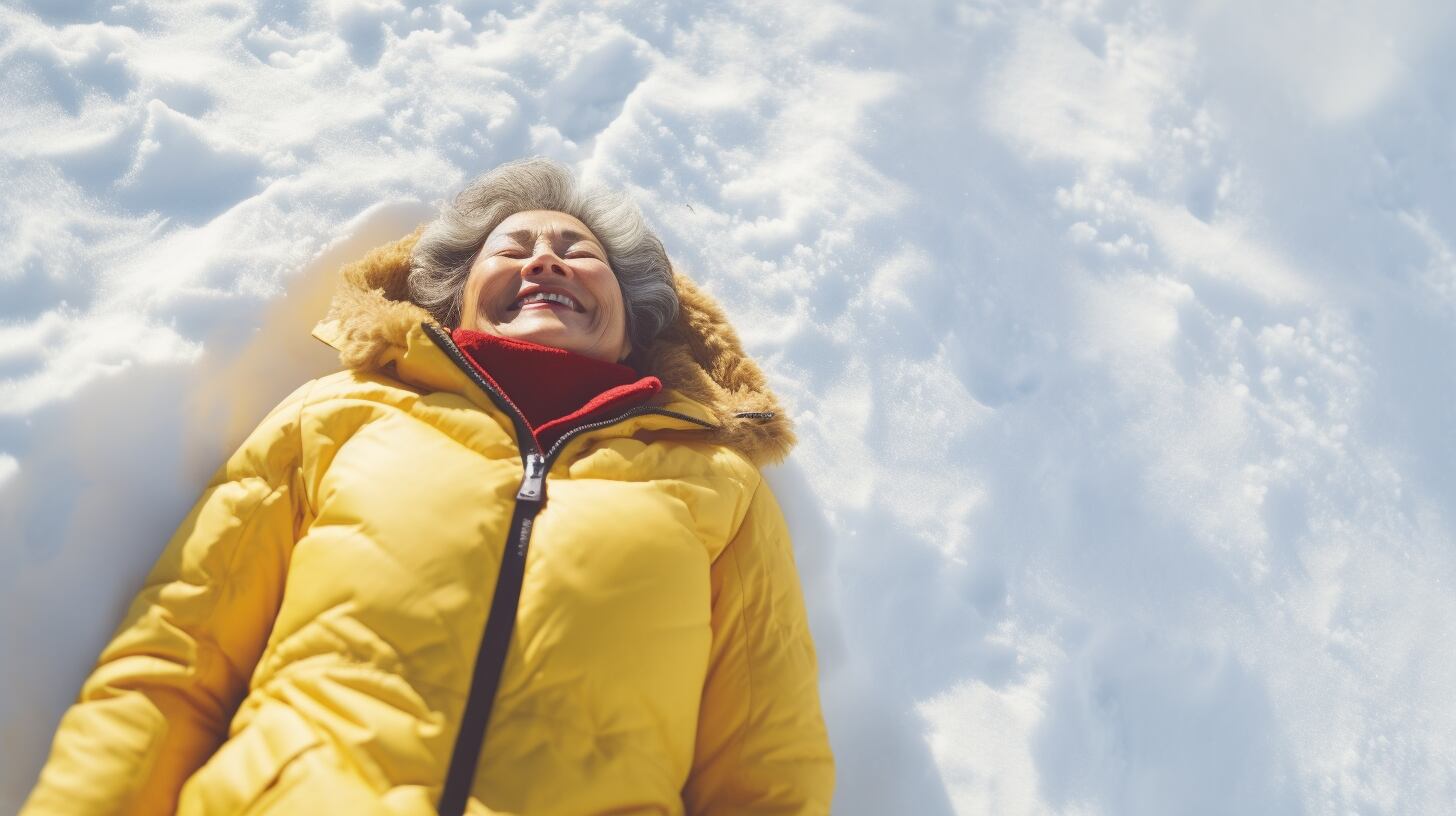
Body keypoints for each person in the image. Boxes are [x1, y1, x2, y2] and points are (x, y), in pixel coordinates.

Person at [20, 158, 834, 815]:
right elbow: (172, 663)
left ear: (635, 318)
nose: (545, 259)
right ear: (454, 297)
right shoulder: (339, 415)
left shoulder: (718, 485)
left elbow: (764, 772)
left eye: (578, 251)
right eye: (511, 249)